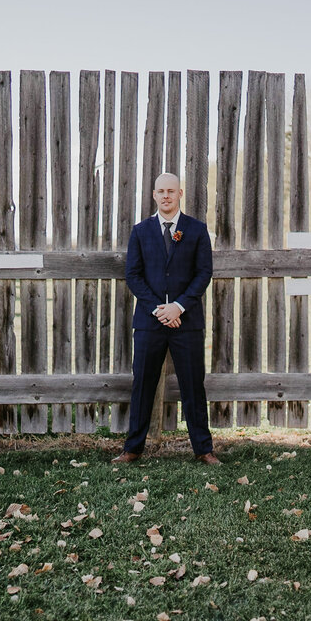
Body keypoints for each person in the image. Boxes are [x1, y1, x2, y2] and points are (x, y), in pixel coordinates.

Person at [112, 173, 219, 465]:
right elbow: (133, 275)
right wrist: (159, 309)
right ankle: (132, 448)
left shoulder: (196, 230)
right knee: (143, 383)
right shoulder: (141, 231)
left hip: (187, 322)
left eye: (171, 191)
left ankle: (203, 449)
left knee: (193, 385)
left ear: (180, 193)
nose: (166, 196)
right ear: (154, 195)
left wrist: (179, 307)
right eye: (161, 191)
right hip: (150, 322)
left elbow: (203, 274)